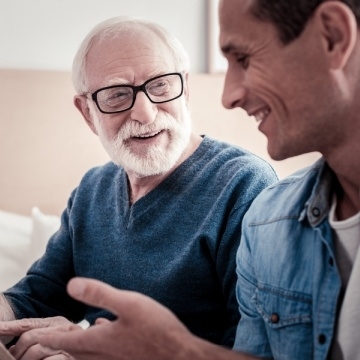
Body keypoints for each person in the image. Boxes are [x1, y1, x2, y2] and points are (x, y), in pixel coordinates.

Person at [5, 0, 359, 359]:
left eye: (160, 86)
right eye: (116, 95)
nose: (144, 113)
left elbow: (248, 346)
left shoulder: (247, 188)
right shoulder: (91, 191)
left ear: (185, 89)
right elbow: (36, 296)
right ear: (87, 113)